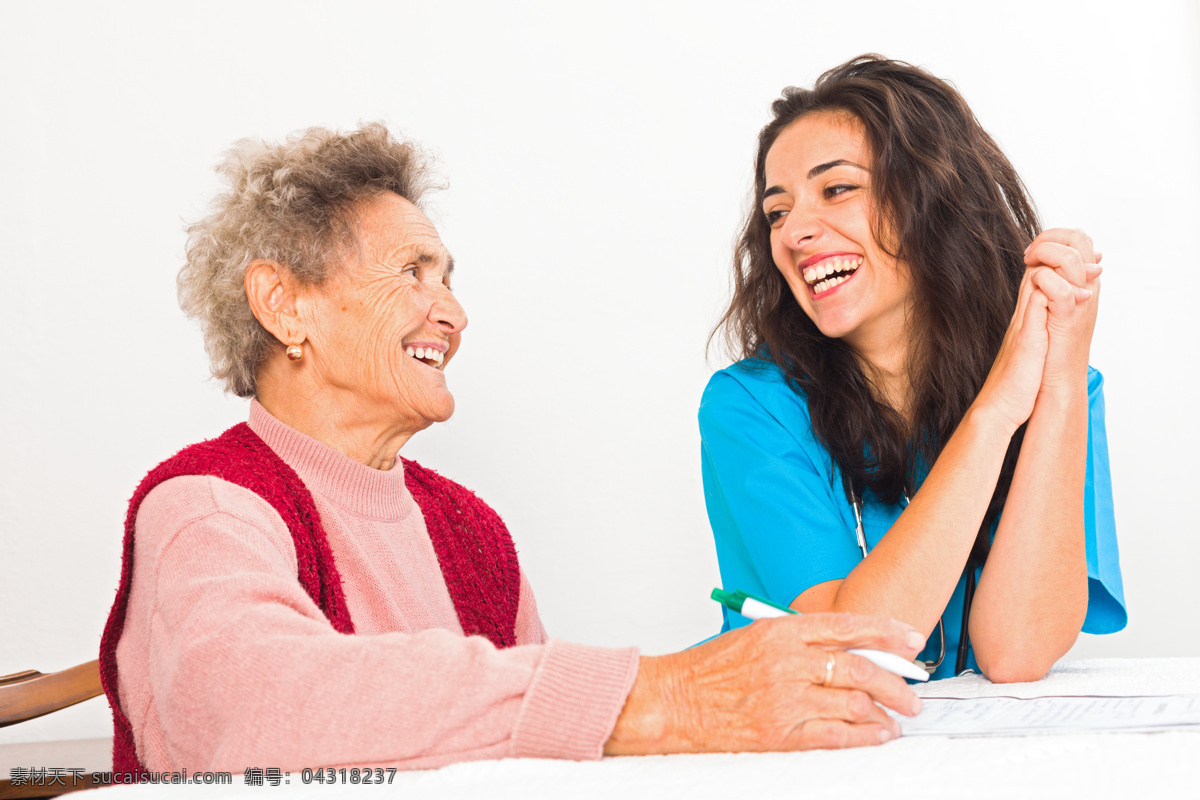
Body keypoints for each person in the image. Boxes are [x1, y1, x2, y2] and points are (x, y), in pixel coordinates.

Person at [99, 123, 924, 775]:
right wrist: (667, 697)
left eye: (449, 279)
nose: (452, 314)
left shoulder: (471, 530)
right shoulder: (207, 505)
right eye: (413, 273)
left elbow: (531, 758)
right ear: (283, 305)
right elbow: (254, 712)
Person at [700, 56, 1126, 683]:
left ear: (933, 197)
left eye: (837, 189)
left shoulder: (1064, 391)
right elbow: (853, 652)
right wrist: (997, 410)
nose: (794, 233)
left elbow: (1017, 652)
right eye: (777, 212)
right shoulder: (750, 409)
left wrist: (1059, 378)